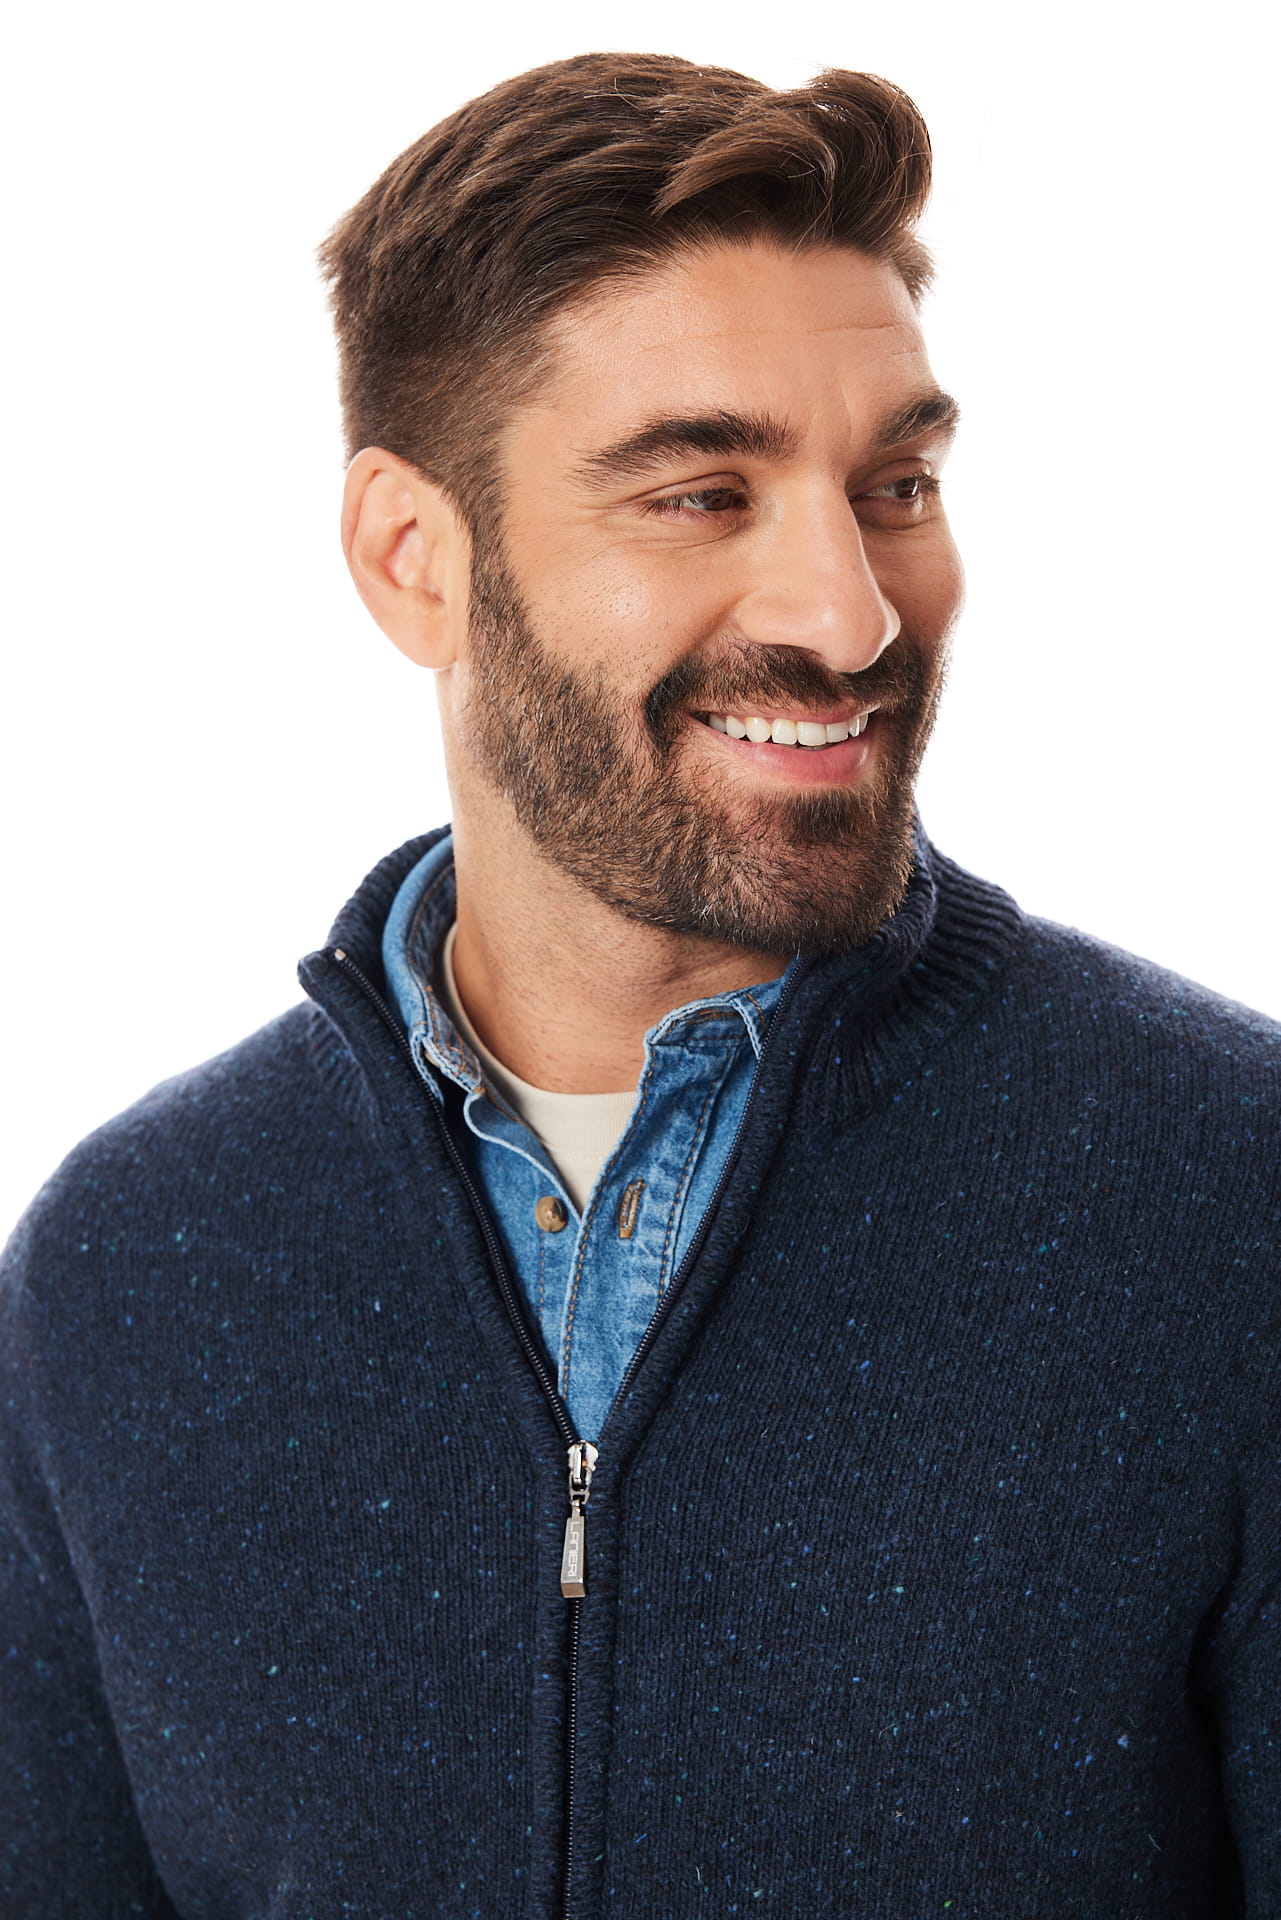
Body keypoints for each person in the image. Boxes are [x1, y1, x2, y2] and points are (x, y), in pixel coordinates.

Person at [1, 49, 1276, 1918]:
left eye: (897, 483)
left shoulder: (1229, 1201)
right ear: (414, 560)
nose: (849, 613)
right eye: (698, 494)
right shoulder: (130, 1270)